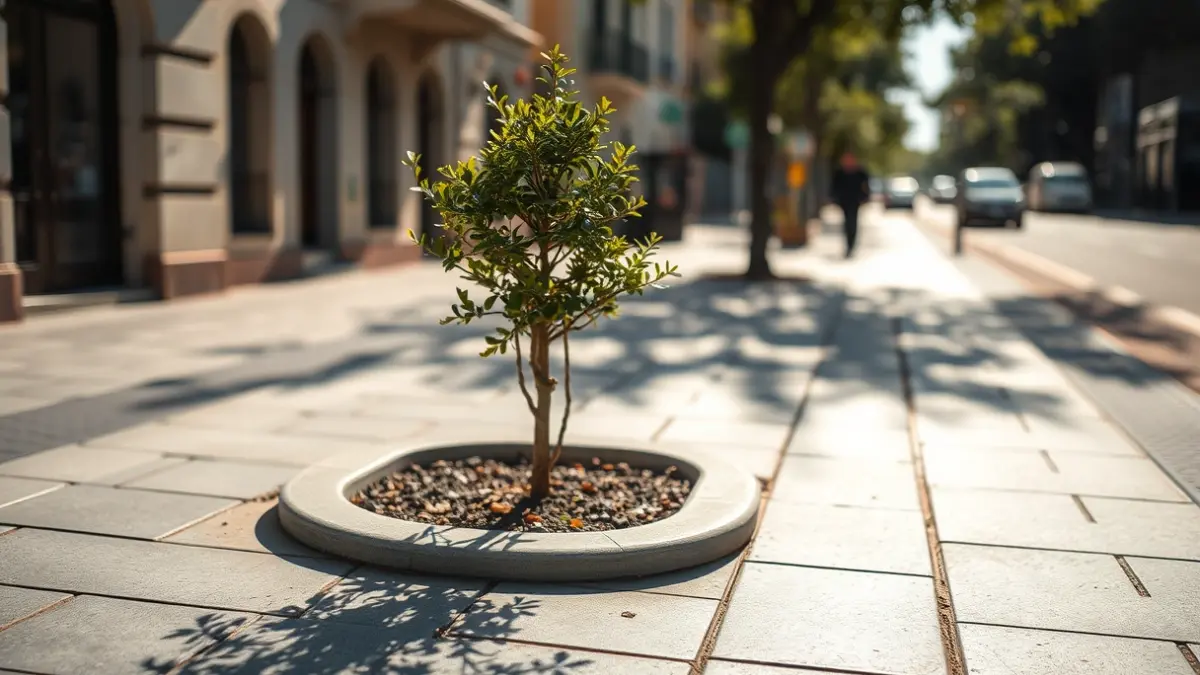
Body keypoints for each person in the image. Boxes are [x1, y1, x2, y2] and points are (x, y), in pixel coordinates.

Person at [829, 152, 871, 258]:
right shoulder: (839, 173)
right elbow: (834, 187)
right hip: (844, 201)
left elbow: (866, 186)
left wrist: (865, 198)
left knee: (853, 222)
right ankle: (848, 244)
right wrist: (834, 199)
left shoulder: (860, 172)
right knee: (847, 222)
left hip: (855, 201)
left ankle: (851, 245)